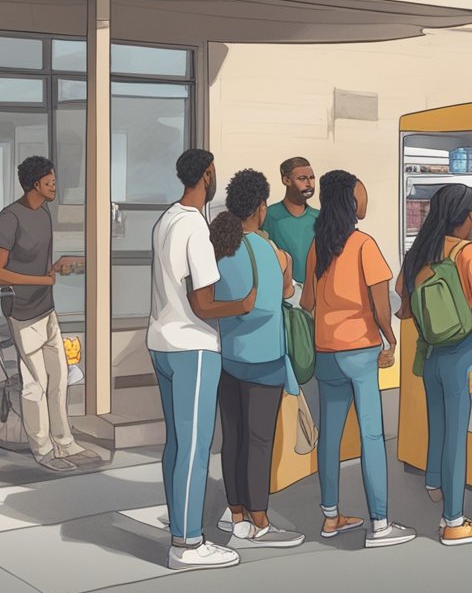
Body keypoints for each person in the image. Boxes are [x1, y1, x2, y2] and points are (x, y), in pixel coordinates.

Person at [146, 149, 255, 571]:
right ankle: (188, 544)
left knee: (175, 443)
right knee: (195, 448)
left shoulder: (166, 219)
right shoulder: (195, 227)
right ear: (208, 174)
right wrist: (241, 305)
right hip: (193, 346)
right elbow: (204, 302)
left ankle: (180, 526)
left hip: (161, 342)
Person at [299, 169, 416, 549]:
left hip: (325, 352)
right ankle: (380, 524)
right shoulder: (364, 245)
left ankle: (331, 517)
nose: (365, 201)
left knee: (330, 438)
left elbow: (308, 303)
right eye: (361, 195)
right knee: (371, 436)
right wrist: (391, 340)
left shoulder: (320, 245)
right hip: (360, 351)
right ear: (350, 201)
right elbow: (382, 308)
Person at [395, 184, 472, 546]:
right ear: (466, 215)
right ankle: (454, 521)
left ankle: (434, 482)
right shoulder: (470, 254)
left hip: (432, 355)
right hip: (465, 354)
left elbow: (404, 301)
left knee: (439, 424)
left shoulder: (419, 253)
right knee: (458, 437)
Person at [210, 170, 305, 549]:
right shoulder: (268, 251)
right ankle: (260, 519)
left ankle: (235, 514)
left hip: (228, 356)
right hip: (264, 358)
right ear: (260, 208)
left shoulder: (220, 245)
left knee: (232, 438)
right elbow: (275, 302)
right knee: (259, 441)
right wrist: (287, 275)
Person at [0, 157, 100, 473]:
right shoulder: (9, 218)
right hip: (22, 311)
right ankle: (43, 449)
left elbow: (38, 265)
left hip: (46, 307)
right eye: (50, 182)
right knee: (35, 382)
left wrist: (57, 266)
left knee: (60, 377)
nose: (55, 186)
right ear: (36, 184)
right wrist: (41, 280)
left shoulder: (44, 212)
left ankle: (65, 443)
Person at [263, 157, 318, 304]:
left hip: (314, 296)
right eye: (302, 178)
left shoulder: (320, 218)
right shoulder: (269, 216)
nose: (309, 184)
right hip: (280, 296)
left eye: (312, 178)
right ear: (286, 180)